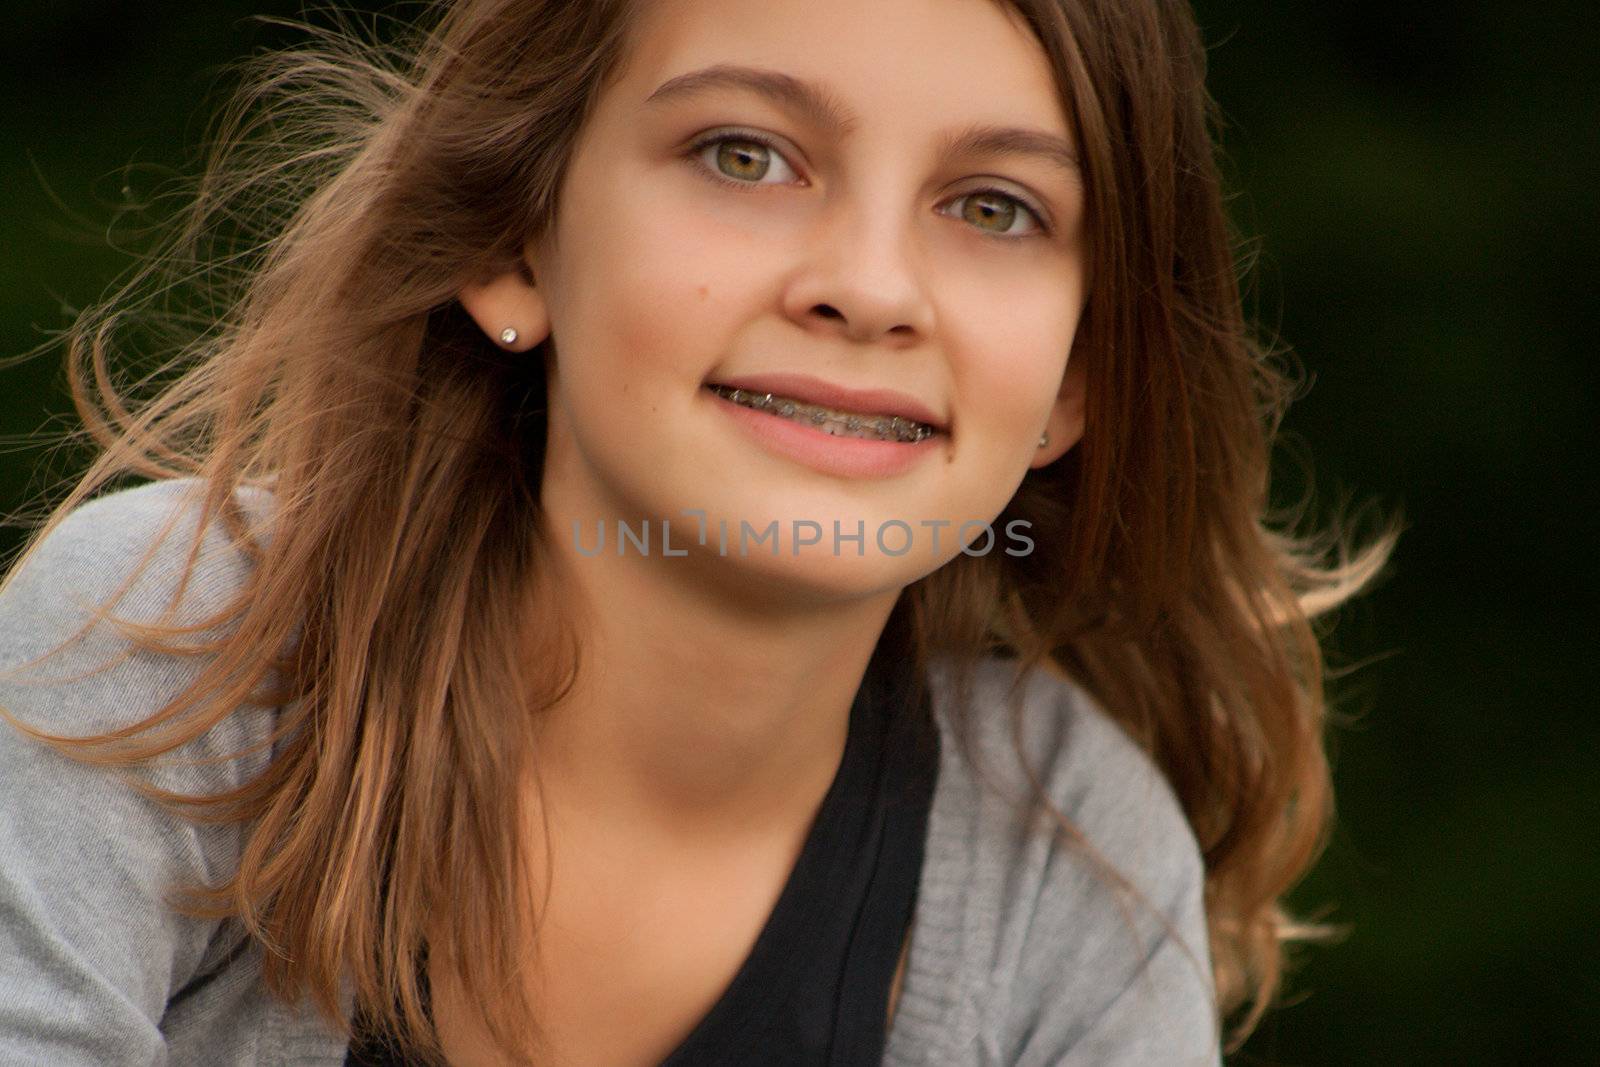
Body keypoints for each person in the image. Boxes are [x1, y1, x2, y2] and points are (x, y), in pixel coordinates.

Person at [0, 0, 1398, 1064]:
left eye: (994, 206)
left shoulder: (1068, 861)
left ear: (1077, 376)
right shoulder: (163, 650)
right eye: (745, 154)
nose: (869, 286)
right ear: (516, 244)